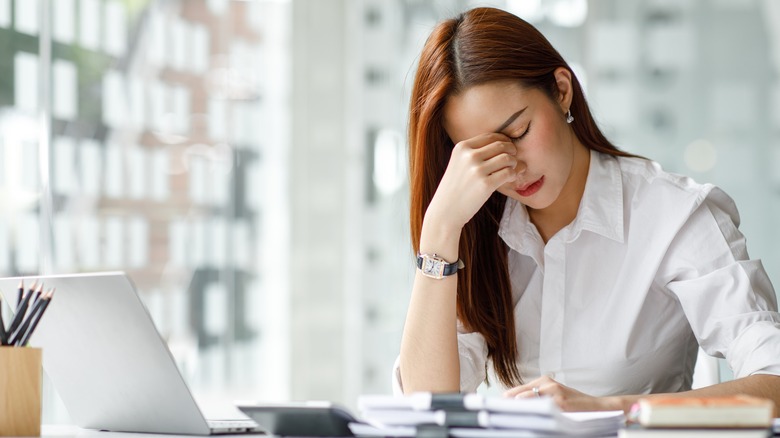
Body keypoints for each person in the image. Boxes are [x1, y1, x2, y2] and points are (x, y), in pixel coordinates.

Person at [394, 6, 780, 414]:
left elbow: (774, 381)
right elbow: (427, 408)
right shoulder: (477, 233)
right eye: (483, 157)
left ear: (562, 90)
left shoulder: (673, 214)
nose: (512, 169)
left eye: (519, 133)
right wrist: (439, 230)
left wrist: (608, 408)